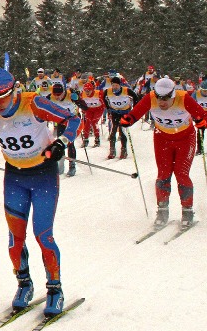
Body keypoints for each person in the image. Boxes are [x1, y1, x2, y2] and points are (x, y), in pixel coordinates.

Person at [0, 68, 81, 317]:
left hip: (43, 174)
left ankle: (55, 288)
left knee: (43, 236)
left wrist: (61, 142)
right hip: (14, 176)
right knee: (15, 239)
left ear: (14, 92)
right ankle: (24, 284)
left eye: (2, 98)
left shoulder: (33, 103)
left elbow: (72, 119)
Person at [120, 77, 207, 228]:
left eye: (166, 99)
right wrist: (128, 119)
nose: (162, 102)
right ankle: (162, 210)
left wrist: (201, 121)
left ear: (172, 95)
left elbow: (202, 115)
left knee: (181, 173)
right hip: (162, 139)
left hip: (185, 139)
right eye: (159, 98)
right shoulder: (151, 98)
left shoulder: (183, 98)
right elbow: (136, 112)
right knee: (163, 173)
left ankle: (187, 211)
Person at [49, 83, 80, 177]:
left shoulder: (70, 94)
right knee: (60, 143)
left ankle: (72, 166)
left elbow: (83, 105)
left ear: (63, 92)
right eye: (55, 95)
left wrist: (77, 99)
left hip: (73, 121)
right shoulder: (50, 97)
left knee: (70, 143)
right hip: (61, 122)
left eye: (59, 95)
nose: (57, 97)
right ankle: (60, 166)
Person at [103, 76, 134, 160]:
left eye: (116, 85)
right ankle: (112, 150)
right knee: (113, 130)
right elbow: (103, 98)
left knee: (122, 130)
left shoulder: (126, 90)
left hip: (124, 112)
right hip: (115, 112)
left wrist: (134, 108)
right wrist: (108, 108)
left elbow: (136, 97)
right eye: (113, 85)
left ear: (120, 85)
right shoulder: (108, 91)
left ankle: (124, 150)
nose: (115, 87)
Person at [77, 79, 105, 147]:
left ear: (92, 89)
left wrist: (108, 110)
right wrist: (83, 110)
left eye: (88, 90)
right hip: (89, 109)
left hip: (98, 109)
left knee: (94, 122)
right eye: (85, 90)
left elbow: (104, 102)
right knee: (87, 122)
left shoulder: (98, 93)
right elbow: (81, 103)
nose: (87, 92)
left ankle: (97, 139)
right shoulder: (82, 94)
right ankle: (85, 139)